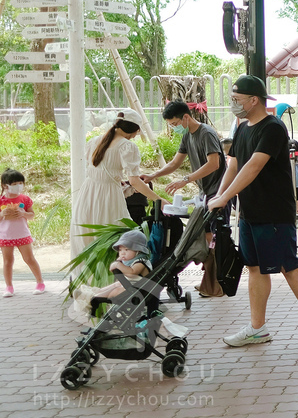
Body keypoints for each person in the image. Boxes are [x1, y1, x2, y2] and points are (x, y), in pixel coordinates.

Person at [208, 76, 298, 347]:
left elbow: (254, 166)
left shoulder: (273, 128)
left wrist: (226, 196)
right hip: (249, 213)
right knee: (255, 268)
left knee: (287, 265)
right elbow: (234, 164)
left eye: (237, 100)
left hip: (274, 212)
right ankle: (257, 328)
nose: (233, 104)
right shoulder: (242, 128)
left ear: (254, 100)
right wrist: (219, 195)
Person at [143, 100, 227, 297]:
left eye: (174, 124)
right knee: (205, 236)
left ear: (186, 117)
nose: (174, 128)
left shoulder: (205, 133)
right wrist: (153, 175)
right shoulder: (187, 136)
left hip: (218, 191)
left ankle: (217, 283)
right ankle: (211, 282)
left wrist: (186, 179)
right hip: (204, 193)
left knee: (214, 237)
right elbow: (174, 163)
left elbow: (214, 163)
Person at [70, 109, 165, 263]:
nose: (135, 136)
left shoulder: (95, 141)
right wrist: (158, 200)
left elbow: (98, 169)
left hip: (88, 195)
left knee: (87, 241)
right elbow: (134, 181)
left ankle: (88, 284)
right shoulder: (127, 146)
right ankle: (114, 283)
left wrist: (115, 179)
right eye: (137, 132)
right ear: (133, 129)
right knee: (117, 239)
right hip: (108, 198)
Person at [0, 169, 44, 296]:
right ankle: (8, 286)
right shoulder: (1, 200)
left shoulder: (24, 199)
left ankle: (40, 282)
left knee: (29, 258)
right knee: (7, 261)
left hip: (22, 234)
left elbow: (31, 215)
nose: (18, 186)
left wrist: (24, 213)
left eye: (20, 183)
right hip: (5, 235)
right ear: (5, 185)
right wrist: (2, 214)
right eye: (14, 184)